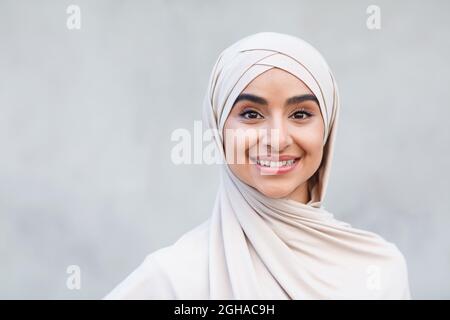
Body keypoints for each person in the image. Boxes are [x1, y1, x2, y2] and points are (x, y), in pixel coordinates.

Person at [104, 32, 411, 299]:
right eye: (251, 114)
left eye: (301, 114)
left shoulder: (380, 270)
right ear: (218, 128)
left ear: (327, 129)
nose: (276, 140)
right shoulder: (174, 279)